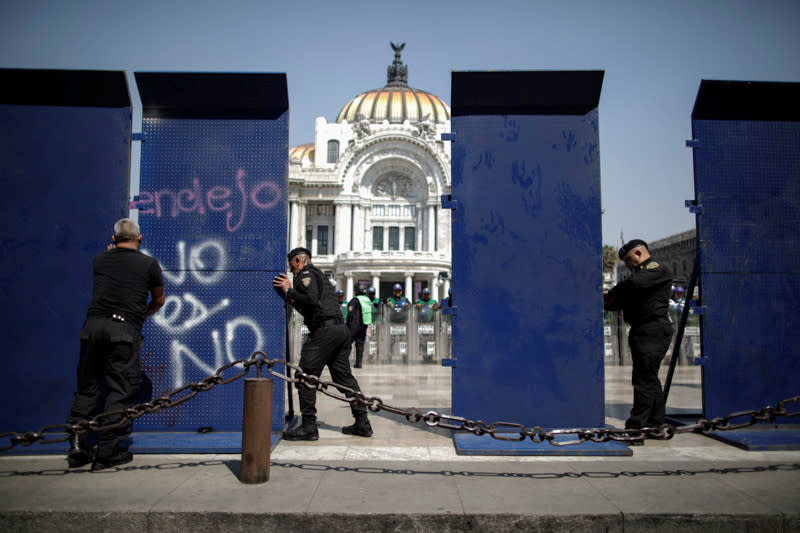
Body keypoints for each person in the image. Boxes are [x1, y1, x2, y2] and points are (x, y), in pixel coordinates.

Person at [66, 218, 165, 471]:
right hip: (123, 330)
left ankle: (78, 445)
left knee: (87, 387)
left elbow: (114, 266)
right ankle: (107, 452)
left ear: (113, 239)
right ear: (139, 238)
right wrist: (141, 315)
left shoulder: (99, 261)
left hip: (92, 327)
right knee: (119, 389)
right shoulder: (149, 264)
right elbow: (159, 300)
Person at [273, 248, 372, 440]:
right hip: (338, 330)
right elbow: (311, 304)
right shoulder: (320, 276)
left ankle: (309, 427)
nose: (292, 271)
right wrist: (291, 295)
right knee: (344, 379)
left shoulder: (307, 274)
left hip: (325, 332)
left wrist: (288, 290)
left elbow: (310, 300)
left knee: (305, 376)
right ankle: (362, 423)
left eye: (292, 265)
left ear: (299, 261)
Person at [604, 239, 673, 443]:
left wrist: (613, 292)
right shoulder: (639, 278)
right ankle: (655, 425)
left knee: (643, 380)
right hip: (643, 330)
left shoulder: (656, 270)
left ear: (639, 254)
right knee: (650, 380)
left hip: (652, 330)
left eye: (628, 259)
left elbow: (633, 285)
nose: (628, 264)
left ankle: (636, 429)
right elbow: (619, 301)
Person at [346, 284, 373, 368]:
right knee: (360, 344)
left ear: (357, 291)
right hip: (364, 325)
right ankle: (359, 363)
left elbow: (350, 313)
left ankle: (344, 362)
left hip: (353, 325)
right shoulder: (367, 300)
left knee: (347, 343)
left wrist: (347, 323)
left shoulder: (355, 300)